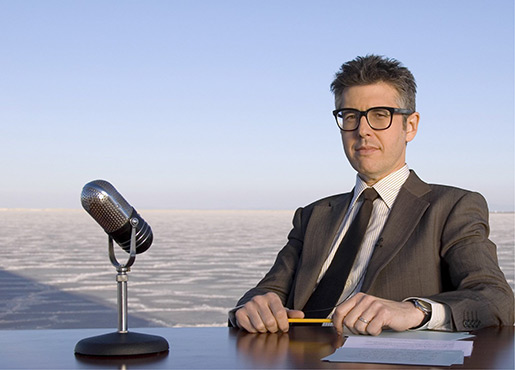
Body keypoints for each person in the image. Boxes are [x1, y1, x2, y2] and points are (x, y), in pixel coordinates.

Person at [229, 55, 514, 336]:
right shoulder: (312, 215)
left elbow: (496, 299)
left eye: (380, 115)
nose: (362, 130)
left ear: (410, 126)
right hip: (295, 357)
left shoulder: (451, 207)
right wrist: (253, 306)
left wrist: (416, 311)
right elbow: (268, 291)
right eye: (351, 116)